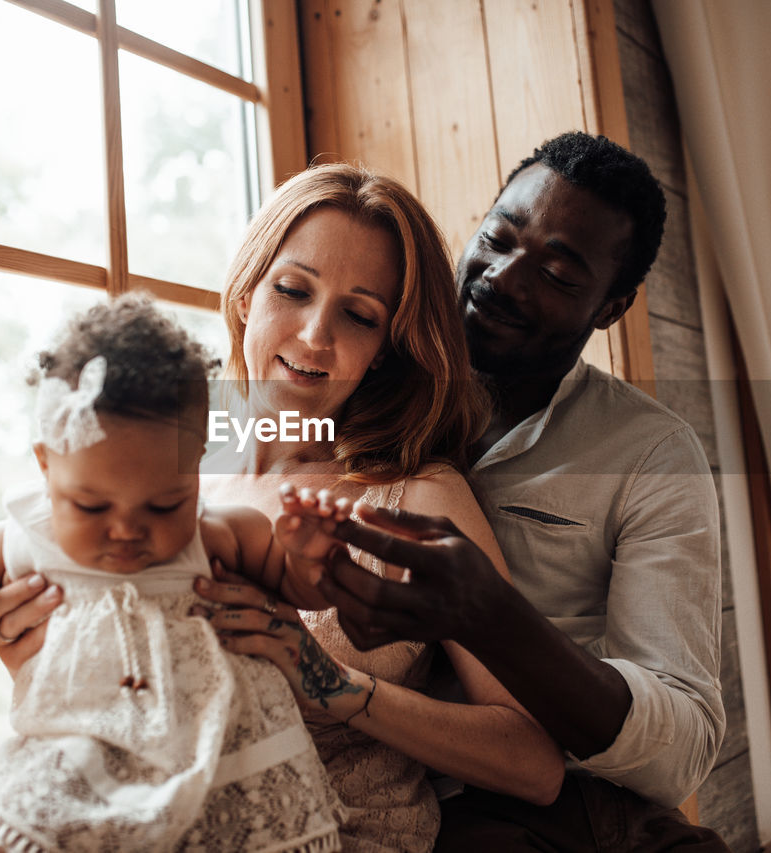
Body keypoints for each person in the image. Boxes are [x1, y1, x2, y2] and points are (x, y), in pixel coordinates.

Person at [0, 164, 563, 852]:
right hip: (115, 792)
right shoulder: (166, 457)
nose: (313, 335)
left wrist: (327, 681)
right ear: (247, 291)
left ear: (389, 347)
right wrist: (36, 656)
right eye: (293, 289)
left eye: (358, 314)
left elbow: (534, 762)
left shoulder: (414, 495)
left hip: (290, 826)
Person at [307, 132, 731, 850]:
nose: (504, 277)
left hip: (580, 807)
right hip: (406, 798)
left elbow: (682, 745)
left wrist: (496, 619)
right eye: (498, 237)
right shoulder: (356, 392)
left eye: (560, 274)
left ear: (611, 307)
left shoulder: (650, 456)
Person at [0, 293, 346, 851]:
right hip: (81, 767)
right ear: (46, 464)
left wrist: (311, 554)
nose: (127, 530)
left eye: (163, 506)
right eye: (91, 507)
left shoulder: (221, 533)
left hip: (230, 772)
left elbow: (302, 590)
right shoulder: (26, 537)